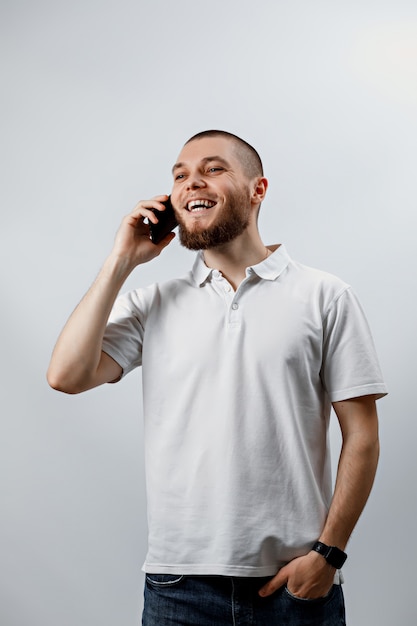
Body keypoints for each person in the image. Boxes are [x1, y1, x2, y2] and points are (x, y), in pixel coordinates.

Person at [47, 130, 387, 625]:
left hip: (295, 587)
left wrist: (328, 556)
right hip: (177, 588)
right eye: (179, 175)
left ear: (258, 189)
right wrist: (121, 261)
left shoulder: (325, 296)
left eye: (213, 169)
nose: (191, 183)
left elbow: (362, 435)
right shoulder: (153, 303)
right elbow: (66, 375)